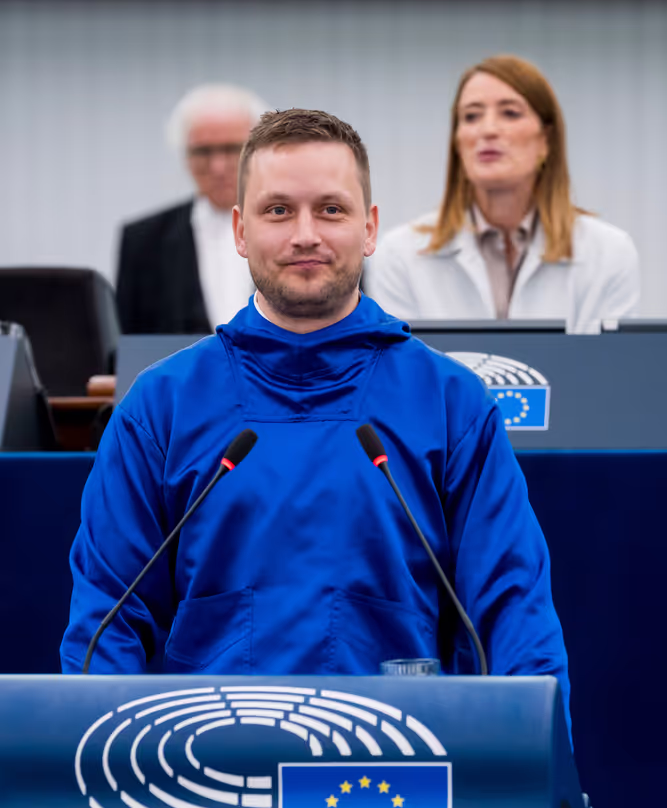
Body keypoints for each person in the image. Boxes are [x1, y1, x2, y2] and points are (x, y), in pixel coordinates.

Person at [61, 108, 571, 731]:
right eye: (279, 211)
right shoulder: (162, 406)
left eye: (331, 210)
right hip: (209, 766)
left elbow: (513, 613)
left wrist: (536, 762)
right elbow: (107, 623)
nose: (306, 235)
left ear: (370, 228)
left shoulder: (449, 403)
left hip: (398, 766)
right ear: (241, 231)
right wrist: (102, 763)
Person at [366, 55, 640, 334]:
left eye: (510, 113)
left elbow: (608, 360)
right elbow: (400, 361)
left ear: (546, 139)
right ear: (458, 142)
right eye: (471, 116)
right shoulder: (400, 255)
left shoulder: (608, 253)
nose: (488, 130)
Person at [115, 84, 267, 336]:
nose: (218, 167)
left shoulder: (300, 231)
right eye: (203, 152)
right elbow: (129, 342)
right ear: (185, 155)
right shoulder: (144, 242)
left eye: (232, 149)